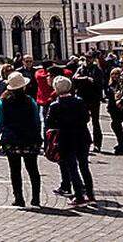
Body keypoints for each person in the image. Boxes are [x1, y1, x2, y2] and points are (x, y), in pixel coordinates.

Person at [0, 71, 42, 208]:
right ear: (23, 86)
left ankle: (19, 198)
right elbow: (36, 120)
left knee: (15, 170)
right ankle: (36, 198)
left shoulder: (4, 101)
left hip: (11, 138)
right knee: (33, 169)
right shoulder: (29, 100)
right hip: (29, 137)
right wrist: (37, 134)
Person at [45, 76, 94, 205]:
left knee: (72, 168)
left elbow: (49, 122)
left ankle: (79, 195)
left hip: (65, 138)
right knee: (84, 166)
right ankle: (90, 194)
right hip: (82, 136)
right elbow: (86, 118)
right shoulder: (79, 101)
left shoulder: (55, 105)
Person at [72, 55, 106, 152]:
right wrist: (86, 78)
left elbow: (97, 82)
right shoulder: (81, 68)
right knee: (82, 121)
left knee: (95, 122)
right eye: (86, 59)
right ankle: (85, 142)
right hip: (82, 98)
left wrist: (84, 80)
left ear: (93, 59)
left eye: (89, 58)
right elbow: (74, 78)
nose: (87, 60)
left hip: (94, 98)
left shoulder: (97, 69)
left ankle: (97, 144)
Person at [105, 67, 123, 154]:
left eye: (117, 74)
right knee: (115, 126)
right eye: (113, 74)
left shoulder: (122, 84)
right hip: (112, 108)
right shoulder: (110, 85)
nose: (114, 76)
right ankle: (122, 143)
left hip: (121, 108)